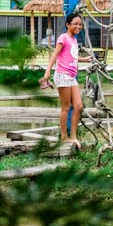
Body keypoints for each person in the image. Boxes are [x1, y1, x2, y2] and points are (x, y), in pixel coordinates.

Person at [39, 12, 92, 149]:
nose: (78, 26)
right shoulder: (63, 37)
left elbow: (71, 55)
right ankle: (64, 137)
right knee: (66, 107)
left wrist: (84, 59)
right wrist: (47, 72)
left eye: (80, 24)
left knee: (79, 106)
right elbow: (55, 54)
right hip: (62, 75)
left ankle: (73, 136)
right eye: (75, 24)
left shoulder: (74, 40)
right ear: (68, 25)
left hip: (72, 76)